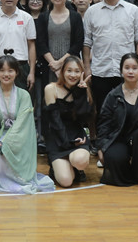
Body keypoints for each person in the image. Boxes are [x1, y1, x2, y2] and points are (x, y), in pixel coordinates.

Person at [0, 55, 55, 194]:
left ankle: (19, 178)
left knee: (6, 148)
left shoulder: (24, 95)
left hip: (20, 137)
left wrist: (8, 142)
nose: (6, 74)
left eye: (10, 70)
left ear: (17, 72)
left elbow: (23, 123)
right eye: (2, 70)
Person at [95, 53, 138, 187]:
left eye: (134, 68)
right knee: (114, 158)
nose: (131, 71)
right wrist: (101, 148)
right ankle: (133, 173)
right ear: (121, 71)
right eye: (127, 68)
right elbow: (104, 124)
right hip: (119, 139)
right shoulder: (113, 96)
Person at [83, 0, 138, 114]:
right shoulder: (92, 11)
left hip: (127, 71)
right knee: (103, 112)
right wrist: (87, 67)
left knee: (129, 111)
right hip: (100, 71)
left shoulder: (133, 10)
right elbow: (86, 42)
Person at [43, 56, 92, 187]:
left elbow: (83, 120)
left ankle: (76, 167)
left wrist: (81, 95)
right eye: (69, 70)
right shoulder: (51, 89)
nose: (73, 75)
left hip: (76, 136)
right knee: (66, 181)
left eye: (77, 71)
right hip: (58, 138)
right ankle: (57, 167)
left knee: (79, 160)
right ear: (62, 72)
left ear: (81, 73)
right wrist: (68, 143)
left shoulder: (83, 90)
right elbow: (54, 121)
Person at [36, 0, 84, 83]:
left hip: (71, 67)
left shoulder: (75, 17)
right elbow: (41, 43)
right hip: (49, 66)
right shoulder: (43, 17)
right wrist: (54, 64)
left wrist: (61, 63)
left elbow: (78, 43)